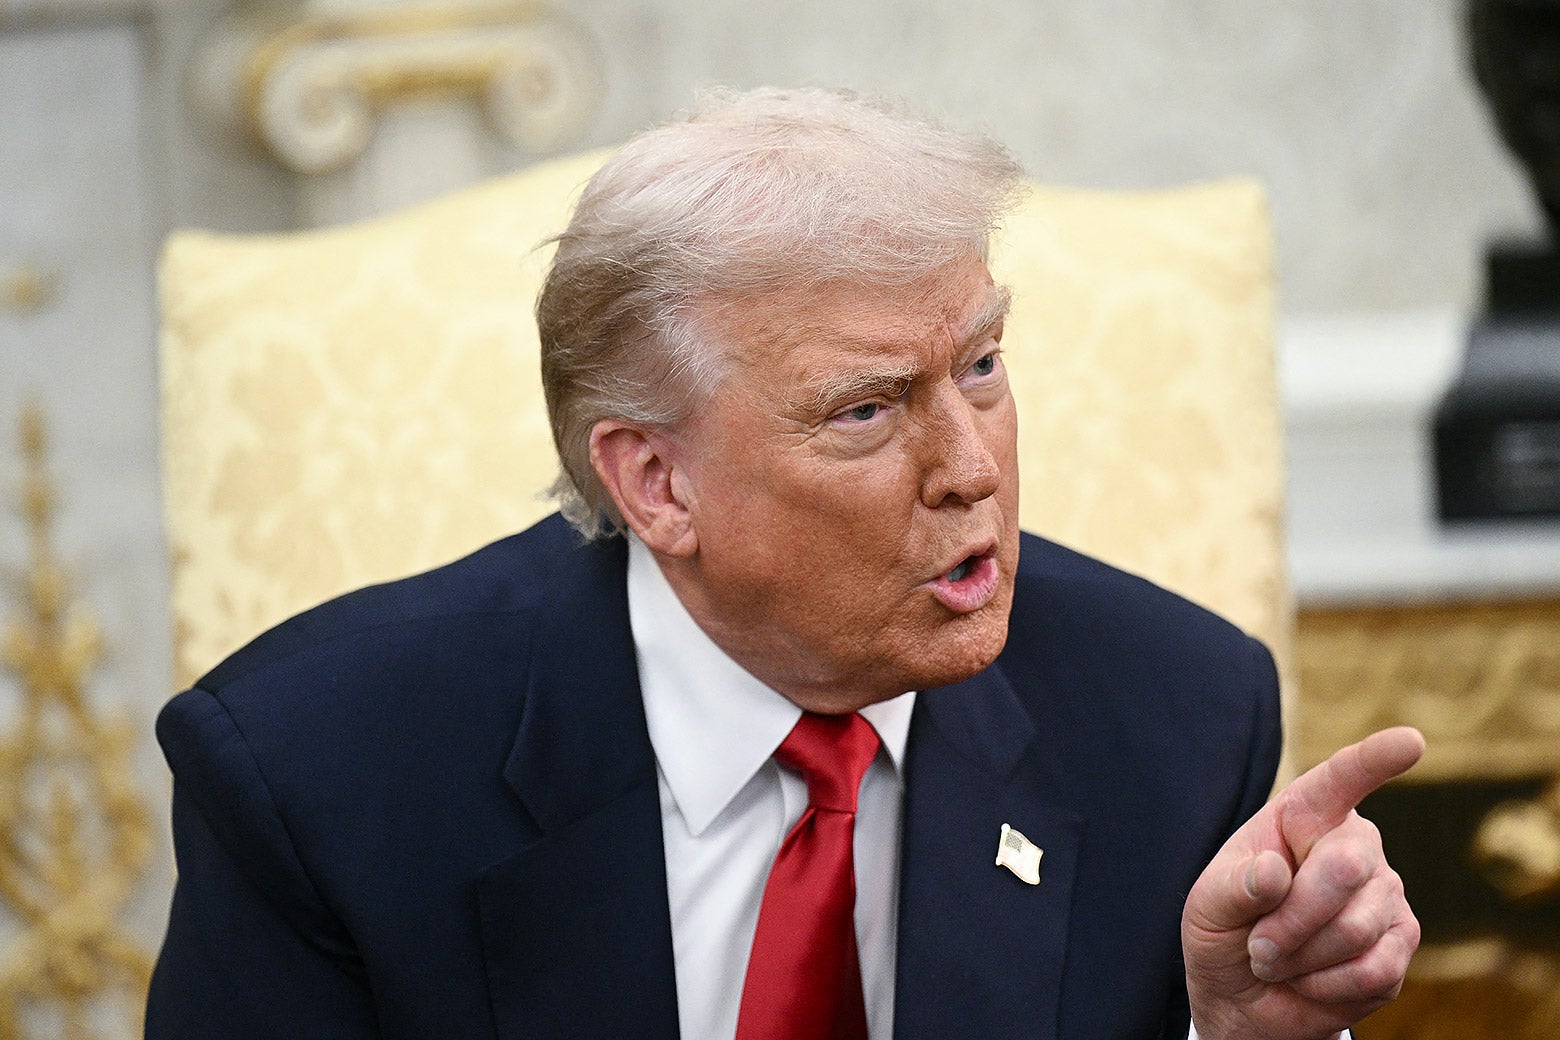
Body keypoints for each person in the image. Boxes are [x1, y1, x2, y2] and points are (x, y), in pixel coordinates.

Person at [145, 87, 1421, 1040]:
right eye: (867, 409)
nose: (971, 467)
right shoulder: (315, 773)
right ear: (656, 482)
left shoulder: (1175, 713)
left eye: (980, 364)